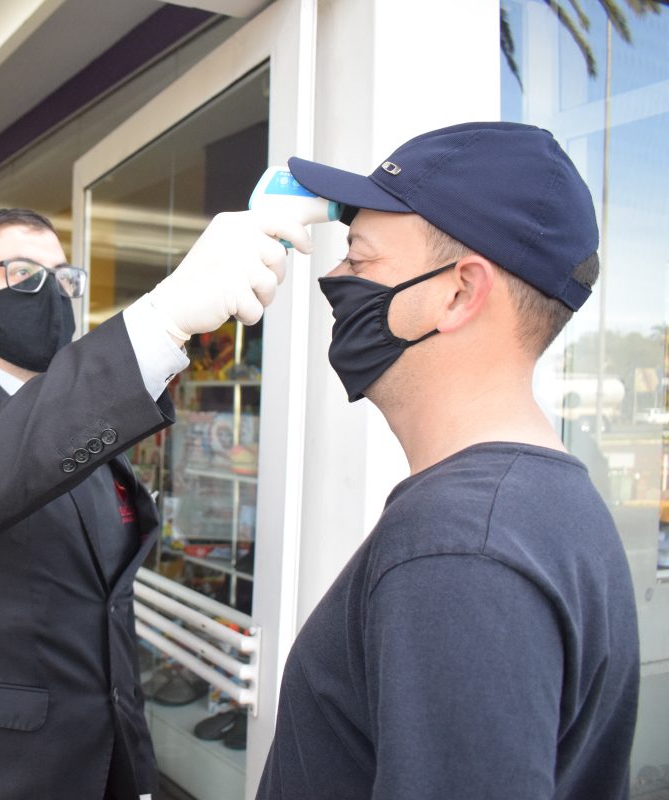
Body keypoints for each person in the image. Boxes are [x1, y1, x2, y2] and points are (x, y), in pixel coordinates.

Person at [0, 207, 311, 799]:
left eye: (63, 279)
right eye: (23, 274)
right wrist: (159, 321)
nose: (52, 293)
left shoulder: (82, 428)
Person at [256, 121, 640, 798]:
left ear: (460, 292)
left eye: (361, 258)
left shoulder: (462, 547)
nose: (334, 278)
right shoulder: (541, 507)